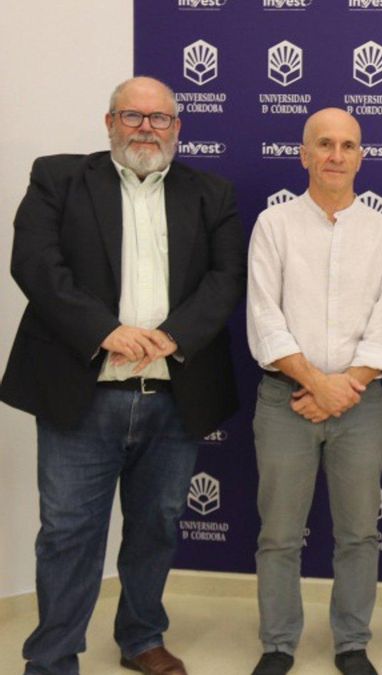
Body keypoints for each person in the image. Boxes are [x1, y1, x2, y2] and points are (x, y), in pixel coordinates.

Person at [1, 76, 245, 675]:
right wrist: (105, 331)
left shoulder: (211, 193)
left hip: (172, 393)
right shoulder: (58, 178)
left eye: (160, 119)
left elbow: (226, 279)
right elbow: (35, 263)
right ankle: (54, 656)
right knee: (67, 532)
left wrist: (173, 337)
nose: (146, 128)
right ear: (109, 122)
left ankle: (140, 637)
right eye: (132, 116)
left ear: (178, 128)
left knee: (157, 526)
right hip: (83, 394)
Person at [246, 108, 382, 675]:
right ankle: (278, 643)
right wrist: (317, 384)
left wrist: (346, 387)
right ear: (304, 154)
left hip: (360, 404)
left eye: (348, 145)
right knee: (279, 534)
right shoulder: (274, 225)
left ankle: (351, 642)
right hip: (285, 400)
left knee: (360, 532)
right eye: (325, 144)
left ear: (361, 156)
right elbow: (265, 318)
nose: (336, 155)